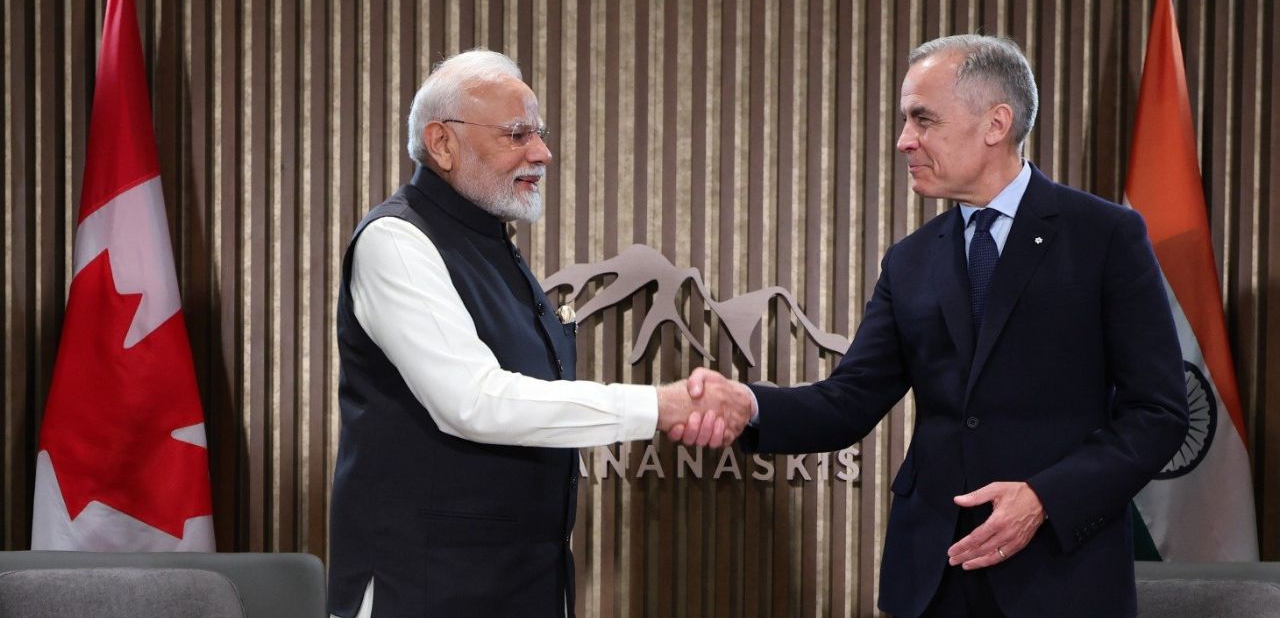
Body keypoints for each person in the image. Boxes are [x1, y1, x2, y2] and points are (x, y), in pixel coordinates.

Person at [686, 34, 1189, 617]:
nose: (904, 140)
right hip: (932, 578)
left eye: (922, 120)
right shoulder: (910, 260)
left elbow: (1158, 413)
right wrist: (750, 406)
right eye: (905, 121)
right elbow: (848, 400)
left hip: (1060, 577)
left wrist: (1045, 498)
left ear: (995, 123)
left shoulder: (1105, 238)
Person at [327, 49, 749, 618]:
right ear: (442, 143)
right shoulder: (396, 242)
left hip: (520, 587)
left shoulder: (494, 245)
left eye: (540, 133)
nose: (542, 152)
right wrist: (658, 405)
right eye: (517, 133)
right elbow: (472, 402)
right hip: (424, 589)